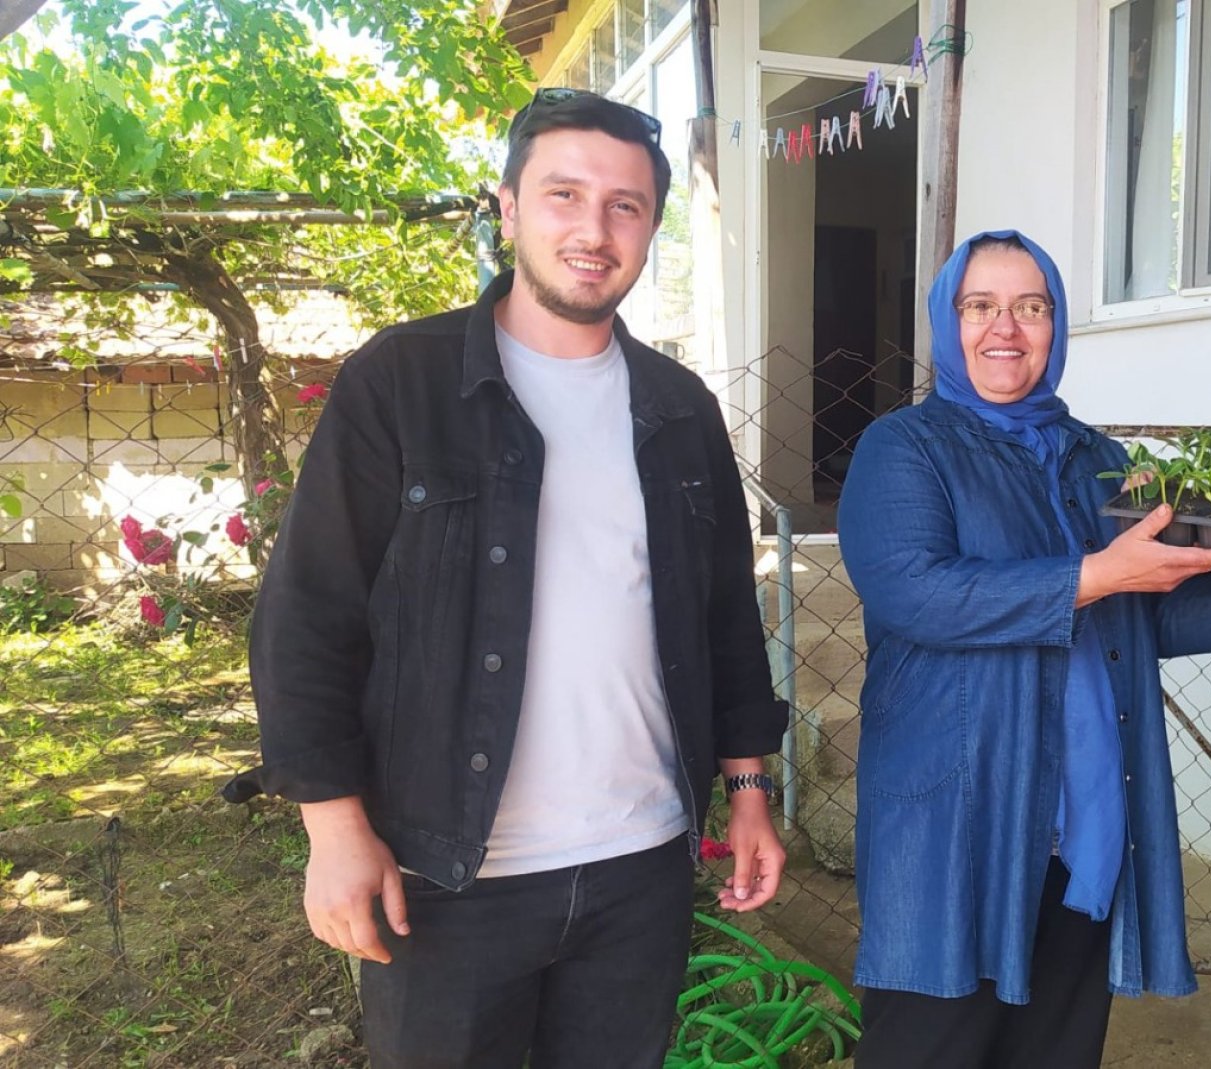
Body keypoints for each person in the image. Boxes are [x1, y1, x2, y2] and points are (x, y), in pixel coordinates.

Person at [221, 89, 789, 1068]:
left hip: (638, 867)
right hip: (449, 874)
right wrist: (332, 826)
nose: (595, 228)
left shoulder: (677, 407)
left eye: (626, 205)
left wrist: (746, 790)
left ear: (651, 226)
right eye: (564, 194)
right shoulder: (400, 381)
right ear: (510, 208)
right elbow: (308, 616)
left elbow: (725, 620)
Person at [837, 230, 1211, 1069]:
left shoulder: (1095, 458)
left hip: (1084, 819)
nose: (1006, 329)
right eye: (980, 306)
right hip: (960, 816)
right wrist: (1094, 573)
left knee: (1055, 1047)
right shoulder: (906, 447)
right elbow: (916, 592)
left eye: (1032, 307)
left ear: (1056, 326)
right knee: (931, 1044)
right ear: (949, 322)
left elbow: (1135, 618)